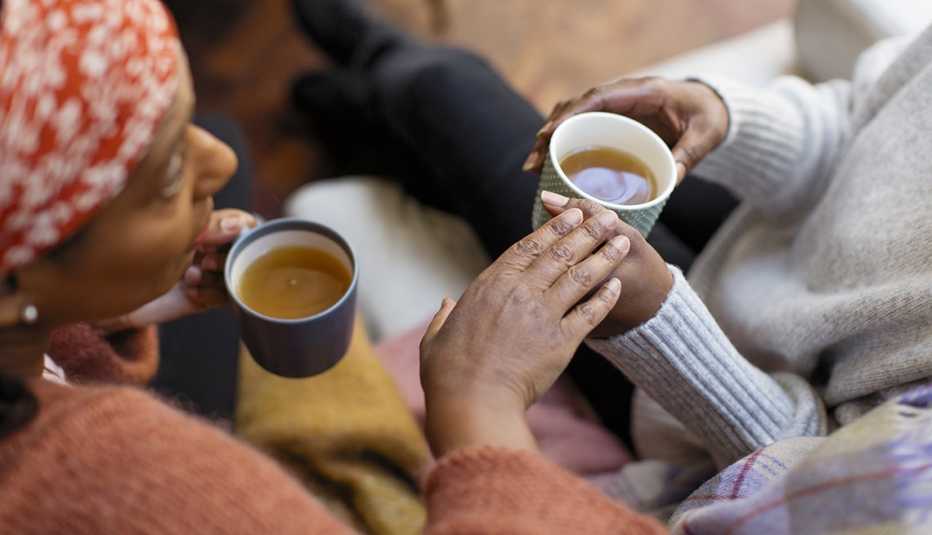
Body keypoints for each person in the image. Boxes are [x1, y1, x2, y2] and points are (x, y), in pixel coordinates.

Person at [0, 0, 673, 533]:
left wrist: (108, 310)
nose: (219, 162)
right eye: (169, 169)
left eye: (185, 122)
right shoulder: (147, 487)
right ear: (16, 282)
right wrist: (481, 408)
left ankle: (351, 95)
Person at [287, 0, 932, 527]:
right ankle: (372, 106)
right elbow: (858, 121)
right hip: (764, 232)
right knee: (450, 113)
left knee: (444, 92)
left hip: (707, 380)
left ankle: (372, 90)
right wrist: (732, 120)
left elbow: (799, 481)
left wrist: (656, 323)